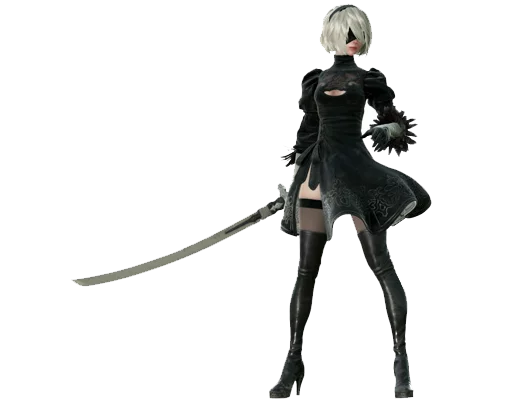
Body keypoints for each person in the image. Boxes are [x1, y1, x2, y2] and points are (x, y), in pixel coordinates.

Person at [270, 4, 432, 399]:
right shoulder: (316, 80)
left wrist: (390, 128)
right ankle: (293, 360)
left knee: (382, 266)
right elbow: (307, 132)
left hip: (357, 173)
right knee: (305, 272)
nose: (352, 39)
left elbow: (394, 120)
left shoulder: (368, 78)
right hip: (317, 175)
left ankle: (401, 361)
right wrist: (292, 185)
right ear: (331, 36)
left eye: (357, 32)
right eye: (345, 33)